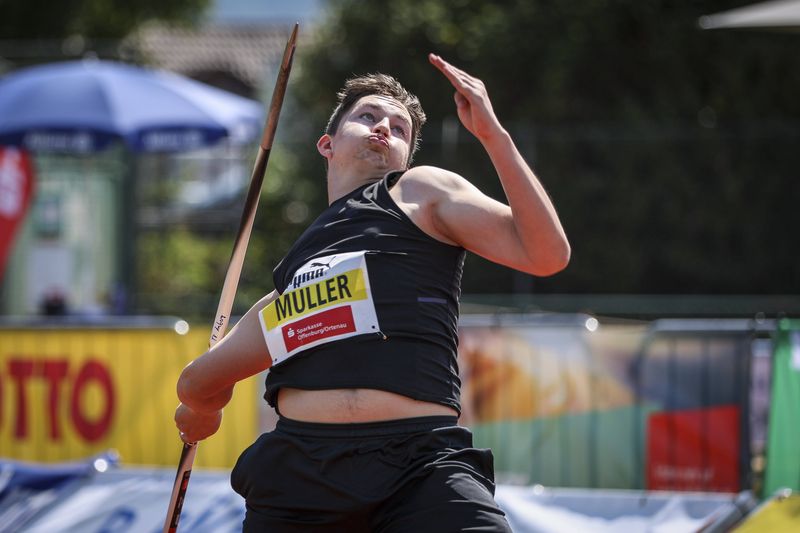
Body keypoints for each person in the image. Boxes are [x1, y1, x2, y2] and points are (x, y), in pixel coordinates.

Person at [175, 53, 570, 531]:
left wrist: (493, 136)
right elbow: (201, 381)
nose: (384, 127)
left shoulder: (417, 192)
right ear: (328, 143)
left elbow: (545, 254)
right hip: (300, 475)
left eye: (399, 128)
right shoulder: (296, 272)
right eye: (367, 117)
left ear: (407, 156)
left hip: (419, 467)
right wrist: (198, 412)